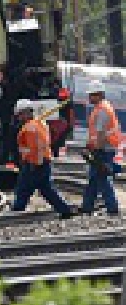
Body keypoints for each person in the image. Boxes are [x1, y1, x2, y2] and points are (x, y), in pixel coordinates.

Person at [11, 99, 74, 217]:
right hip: (41, 161)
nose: (18, 117)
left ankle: (17, 210)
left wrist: (35, 164)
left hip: (34, 163)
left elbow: (35, 148)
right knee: (44, 189)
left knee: (24, 188)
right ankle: (65, 210)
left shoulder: (30, 128)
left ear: (25, 113)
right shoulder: (40, 123)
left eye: (20, 114)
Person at [81, 80, 121, 216]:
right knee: (94, 179)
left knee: (102, 178)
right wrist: (90, 145)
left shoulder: (103, 110)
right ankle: (87, 206)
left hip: (104, 149)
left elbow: (101, 134)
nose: (89, 97)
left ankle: (112, 207)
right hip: (103, 148)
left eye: (91, 95)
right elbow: (95, 133)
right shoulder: (101, 108)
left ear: (99, 95)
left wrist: (94, 150)